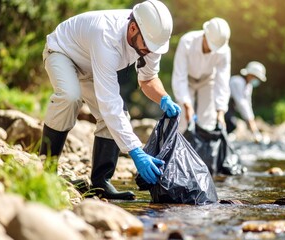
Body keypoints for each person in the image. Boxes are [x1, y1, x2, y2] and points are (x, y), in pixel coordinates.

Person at [39, 0, 181, 200]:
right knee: (70, 96)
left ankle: (101, 182)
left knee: (118, 116)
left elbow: (148, 79)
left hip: (93, 66)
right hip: (63, 52)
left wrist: (164, 98)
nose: (151, 52)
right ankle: (47, 170)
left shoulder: (150, 39)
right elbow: (109, 101)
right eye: (148, 46)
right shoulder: (106, 34)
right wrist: (136, 152)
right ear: (133, 28)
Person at [171, 17, 231, 132]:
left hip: (208, 80)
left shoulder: (224, 51)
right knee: (183, 119)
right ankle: (179, 147)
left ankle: (203, 148)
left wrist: (221, 111)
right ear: (205, 35)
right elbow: (179, 76)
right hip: (187, 80)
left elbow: (222, 80)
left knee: (208, 120)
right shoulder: (187, 41)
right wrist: (187, 105)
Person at [224, 61, 267, 143]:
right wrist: (252, 125)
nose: (256, 80)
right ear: (250, 74)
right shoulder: (237, 82)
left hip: (230, 109)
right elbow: (241, 104)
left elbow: (248, 105)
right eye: (256, 77)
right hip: (223, 108)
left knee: (231, 125)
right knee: (231, 124)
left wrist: (253, 125)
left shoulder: (248, 86)